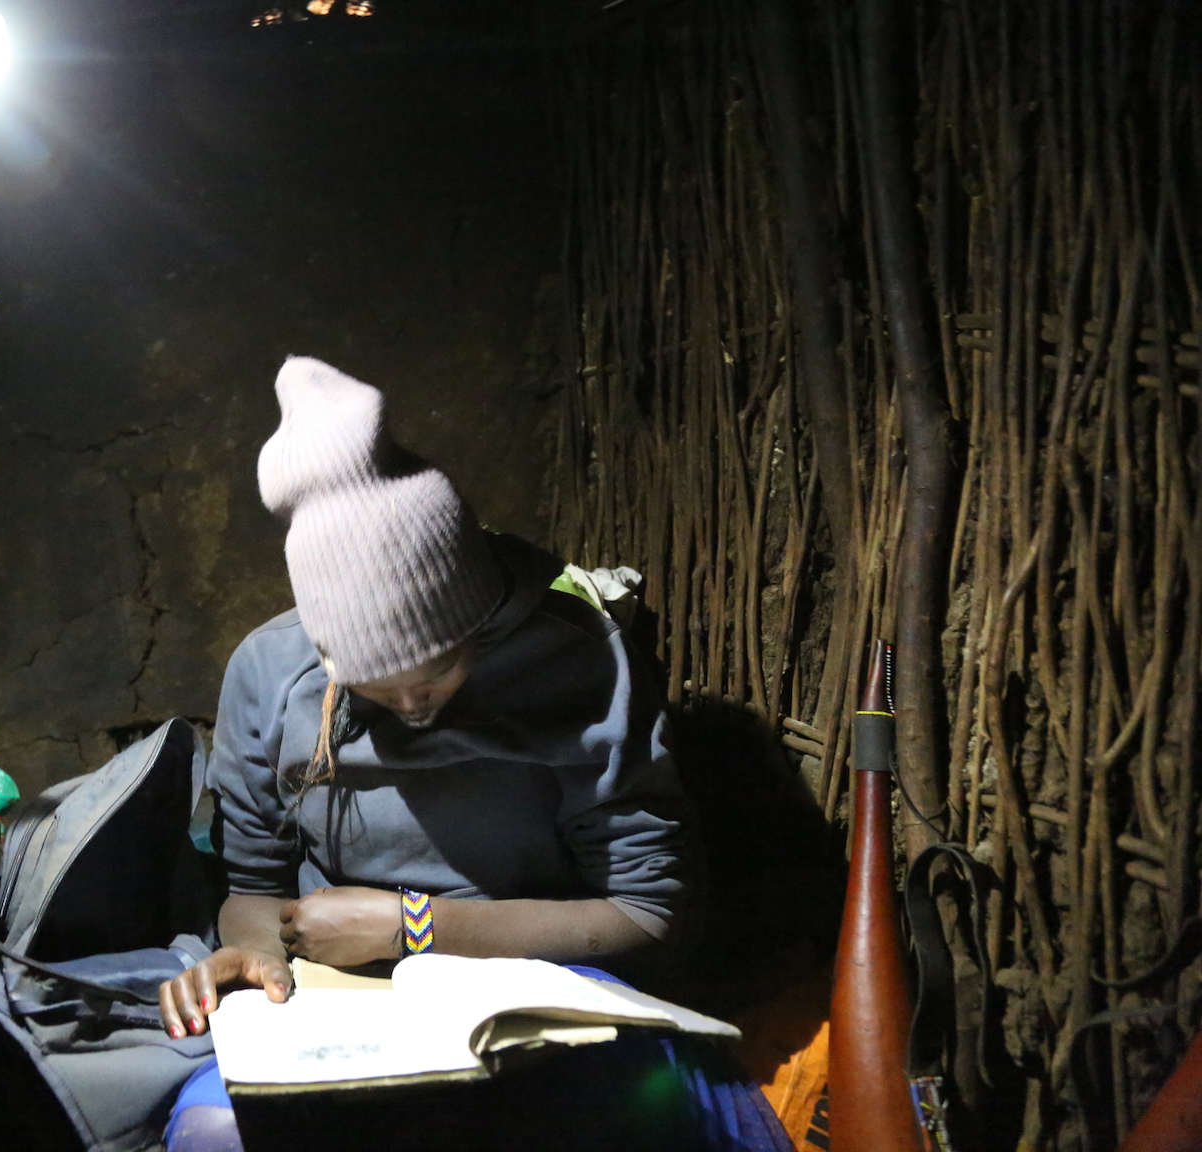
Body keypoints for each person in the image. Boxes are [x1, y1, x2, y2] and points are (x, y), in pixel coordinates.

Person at [157, 357, 787, 1152]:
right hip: (339, 991)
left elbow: (651, 914)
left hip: (540, 985)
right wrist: (252, 957)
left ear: (481, 623)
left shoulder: (579, 657)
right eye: (374, 689)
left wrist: (417, 926)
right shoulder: (268, 672)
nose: (414, 703)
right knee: (216, 1135)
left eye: (438, 668)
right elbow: (254, 885)